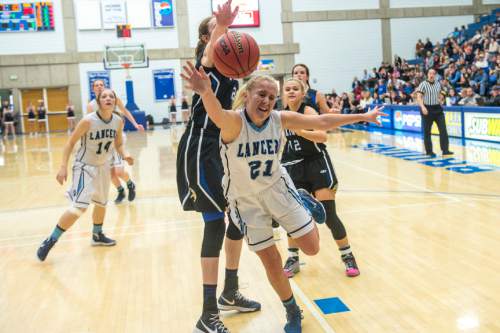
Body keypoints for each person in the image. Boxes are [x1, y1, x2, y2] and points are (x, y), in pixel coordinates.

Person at [181, 62, 385, 332]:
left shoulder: (279, 119)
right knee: (272, 261)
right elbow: (215, 113)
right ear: (248, 95)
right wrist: (206, 92)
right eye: (261, 95)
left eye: (271, 97)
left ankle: (302, 199)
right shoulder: (233, 121)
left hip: (278, 190)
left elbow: (322, 122)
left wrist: (362, 116)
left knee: (311, 248)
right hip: (246, 203)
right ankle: (291, 309)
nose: (266, 100)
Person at [176, 3, 260, 333]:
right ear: (206, 36)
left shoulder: (229, 70)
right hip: (200, 147)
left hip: (224, 147)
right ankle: (207, 313)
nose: (225, 29)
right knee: (214, 223)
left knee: (237, 217)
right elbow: (210, 55)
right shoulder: (206, 66)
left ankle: (229, 291)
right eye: (216, 26)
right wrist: (221, 26)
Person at [36, 88, 133, 261]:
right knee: (79, 208)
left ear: (115, 101)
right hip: (84, 167)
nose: (108, 98)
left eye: (112, 96)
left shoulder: (118, 121)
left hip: (103, 166)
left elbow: (118, 144)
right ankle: (50, 240)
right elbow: (70, 143)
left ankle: (97, 235)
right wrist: (62, 166)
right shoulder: (88, 121)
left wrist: (125, 155)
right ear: (98, 101)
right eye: (104, 96)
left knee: (102, 204)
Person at [280, 78, 360, 278]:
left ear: (302, 93)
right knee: (293, 216)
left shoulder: (308, 111)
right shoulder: (281, 113)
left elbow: (323, 136)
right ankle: (293, 258)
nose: (291, 92)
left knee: (329, 214)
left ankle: (348, 256)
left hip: (316, 162)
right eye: (287, 89)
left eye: (295, 89)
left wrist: (300, 131)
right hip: (294, 165)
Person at [87, 79, 144, 204]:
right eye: (96, 85)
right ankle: (120, 191)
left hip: (117, 139)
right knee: (110, 174)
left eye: (101, 85)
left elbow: (125, 111)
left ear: (104, 86)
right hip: (103, 142)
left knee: (118, 172)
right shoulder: (91, 106)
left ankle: (130, 184)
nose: (99, 87)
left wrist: (135, 124)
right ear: (93, 89)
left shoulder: (113, 99)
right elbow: (90, 124)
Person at [416, 69, 453, 157]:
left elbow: (442, 92)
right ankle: (429, 151)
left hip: (437, 109)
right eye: (430, 73)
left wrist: (442, 99)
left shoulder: (438, 83)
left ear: (435, 75)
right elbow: (419, 97)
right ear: (427, 74)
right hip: (427, 109)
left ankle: (445, 150)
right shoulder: (423, 84)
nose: (431, 75)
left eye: (433, 73)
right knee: (427, 131)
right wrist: (422, 107)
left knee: (443, 129)